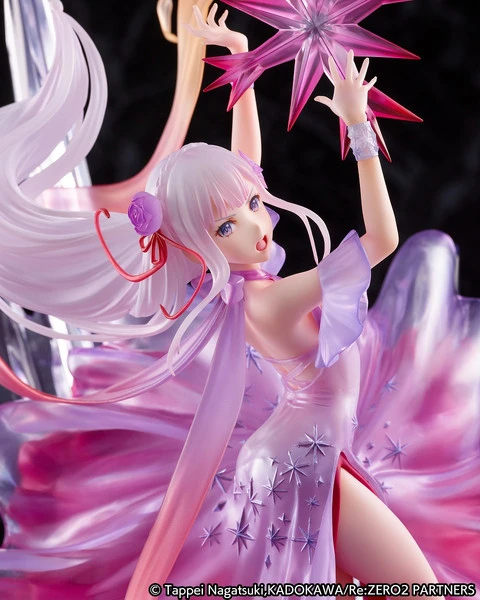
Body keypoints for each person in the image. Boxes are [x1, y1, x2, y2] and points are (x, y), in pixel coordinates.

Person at [0, 3, 477, 599]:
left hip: (311, 454)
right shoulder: (265, 302)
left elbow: (247, 162)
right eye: (226, 227)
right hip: (304, 467)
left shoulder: (246, 283)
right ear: (200, 246)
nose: (255, 226)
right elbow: (382, 239)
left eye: (253, 205)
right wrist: (358, 126)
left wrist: (242, 60)